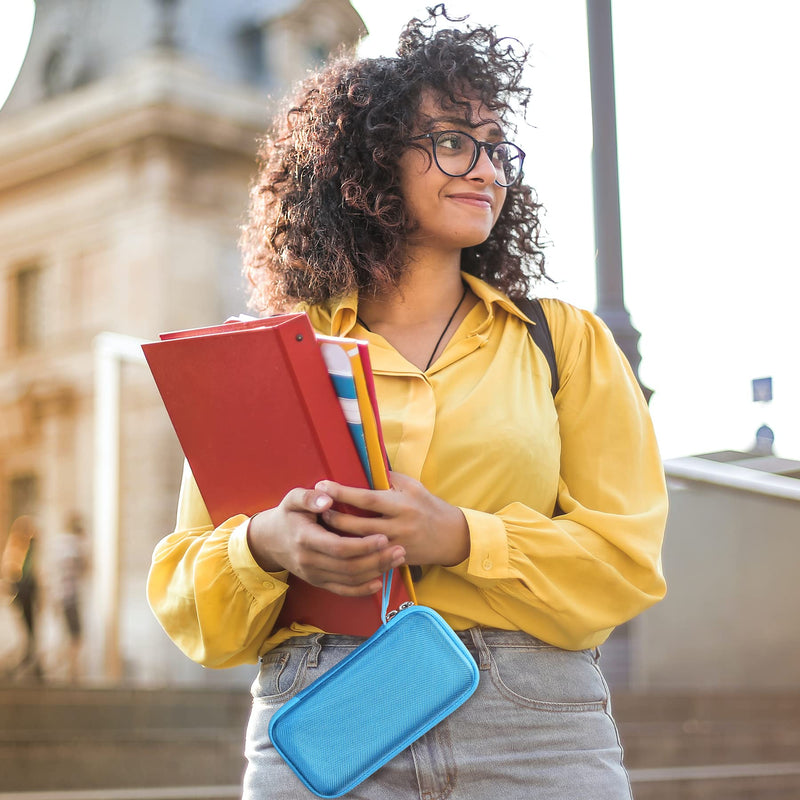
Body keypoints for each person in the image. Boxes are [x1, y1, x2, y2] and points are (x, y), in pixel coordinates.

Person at [147, 7, 668, 798]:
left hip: (531, 729)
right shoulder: (274, 358)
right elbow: (190, 600)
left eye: (497, 148)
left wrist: (461, 537)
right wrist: (265, 546)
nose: (488, 168)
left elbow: (626, 563)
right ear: (370, 161)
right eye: (454, 141)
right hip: (326, 720)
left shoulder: (564, 342)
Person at [1, 515, 43, 681]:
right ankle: (26, 663)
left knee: (30, 631)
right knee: (25, 632)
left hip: (28, 596)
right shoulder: (16, 550)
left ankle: (32, 663)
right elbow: (11, 574)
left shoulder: (29, 552)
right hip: (21, 595)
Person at [51, 512, 89, 683]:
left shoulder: (60, 544)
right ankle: (70, 670)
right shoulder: (72, 546)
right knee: (75, 636)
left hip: (61, 596)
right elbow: (83, 568)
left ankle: (69, 668)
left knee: (69, 634)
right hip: (69, 597)